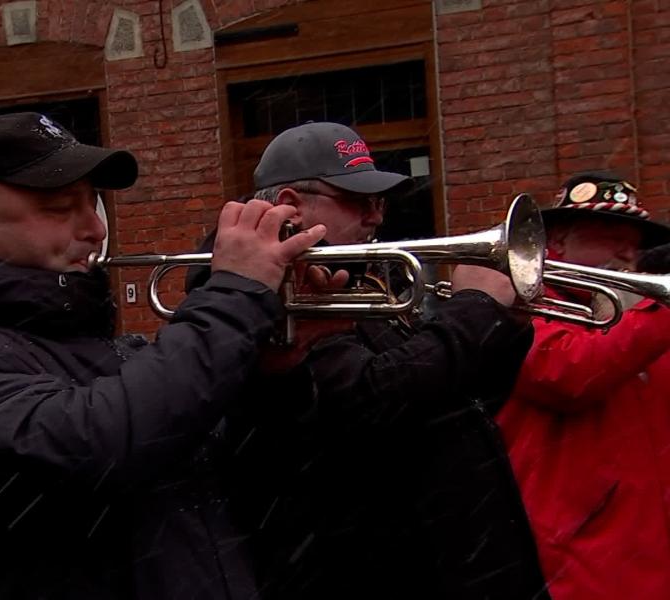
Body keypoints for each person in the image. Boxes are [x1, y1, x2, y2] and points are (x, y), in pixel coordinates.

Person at [0, 111, 325, 599]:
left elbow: (229, 471)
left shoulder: (86, 340)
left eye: (92, 203)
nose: (95, 228)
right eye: (59, 207)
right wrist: (234, 296)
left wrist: (274, 367)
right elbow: (98, 444)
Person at [188, 122, 550, 599]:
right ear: (293, 204)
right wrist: (477, 310)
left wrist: (508, 326)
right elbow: (367, 399)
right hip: (375, 567)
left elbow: (459, 399)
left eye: (379, 202)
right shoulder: (271, 292)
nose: (376, 217)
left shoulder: (363, 279)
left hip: (453, 556)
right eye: (359, 201)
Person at [496, 171, 670, 600]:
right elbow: (571, 375)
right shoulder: (524, 311)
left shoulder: (641, 315)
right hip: (584, 556)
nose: (628, 252)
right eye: (608, 235)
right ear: (556, 245)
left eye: (635, 241)